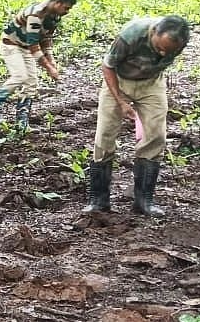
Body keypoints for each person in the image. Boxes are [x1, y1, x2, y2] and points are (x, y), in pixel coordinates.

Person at [82, 15, 191, 218]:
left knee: (156, 136)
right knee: (105, 135)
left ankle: (143, 201)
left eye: (168, 52)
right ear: (154, 31)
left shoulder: (178, 42)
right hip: (118, 80)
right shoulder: (131, 34)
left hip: (151, 83)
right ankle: (98, 200)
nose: (162, 53)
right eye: (159, 47)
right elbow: (108, 66)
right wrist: (122, 101)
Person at [0, 0, 77, 132]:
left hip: (25, 46)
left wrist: (51, 60)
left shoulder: (55, 16)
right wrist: (49, 68)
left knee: (31, 83)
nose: (67, 12)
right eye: (66, 8)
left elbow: (46, 39)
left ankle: (22, 124)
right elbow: (34, 45)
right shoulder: (36, 14)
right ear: (58, 3)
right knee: (20, 76)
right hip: (12, 44)